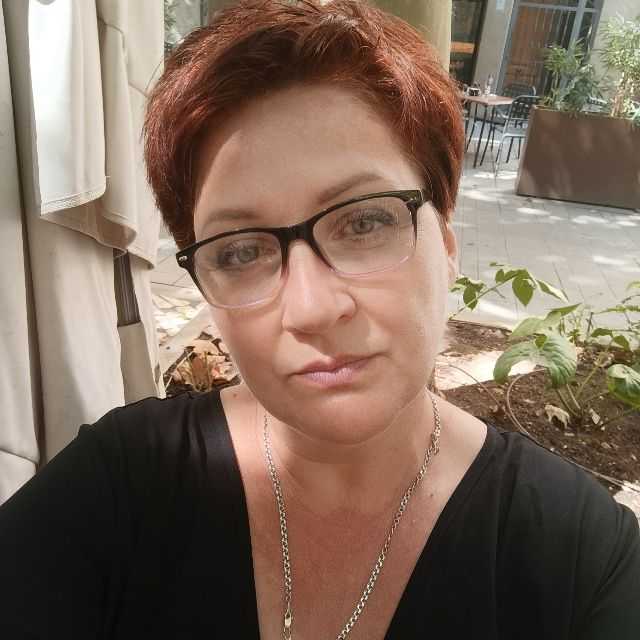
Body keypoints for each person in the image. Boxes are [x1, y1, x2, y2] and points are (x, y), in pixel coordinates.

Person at [1, 1, 638, 638]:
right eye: (240, 251)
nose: (310, 309)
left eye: (364, 222)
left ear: (446, 245)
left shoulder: (579, 556)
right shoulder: (118, 488)